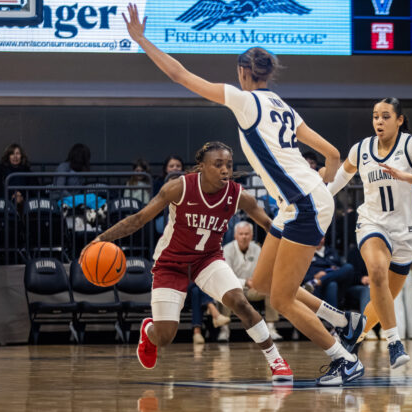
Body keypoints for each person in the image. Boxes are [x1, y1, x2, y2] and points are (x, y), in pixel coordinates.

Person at [123, 4, 366, 386]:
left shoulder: (243, 100)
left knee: (281, 301)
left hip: (303, 204)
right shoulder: (283, 106)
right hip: (303, 200)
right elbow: (333, 154)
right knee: (262, 284)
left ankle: (343, 359)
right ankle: (343, 319)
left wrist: (141, 40)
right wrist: (323, 187)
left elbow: (179, 74)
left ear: (241, 72)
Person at [87, 142, 293, 383]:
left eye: (228, 164)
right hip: (171, 263)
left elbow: (268, 225)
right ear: (201, 167)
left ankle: (276, 360)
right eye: (218, 165)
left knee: (240, 302)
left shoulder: (239, 195)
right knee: (165, 336)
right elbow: (139, 219)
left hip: (207, 259)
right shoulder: (178, 188)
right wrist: (100, 238)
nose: (225, 170)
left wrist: (291, 247)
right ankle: (149, 331)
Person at [326, 97, 412, 368]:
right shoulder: (361, 148)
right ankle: (394, 342)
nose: (379, 121)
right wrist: (319, 199)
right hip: (372, 222)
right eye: (376, 116)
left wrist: (406, 176)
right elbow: (339, 180)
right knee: (376, 271)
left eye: (386, 116)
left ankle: (355, 337)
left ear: (399, 120)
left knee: (381, 302)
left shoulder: (411, 144)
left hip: (406, 231)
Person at [221, 221, 282, 342]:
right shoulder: (227, 250)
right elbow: (226, 276)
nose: (244, 237)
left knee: (270, 288)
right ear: (235, 235)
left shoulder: (257, 248)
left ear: (251, 235)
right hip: (235, 289)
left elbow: (263, 270)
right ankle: (224, 330)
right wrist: (245, 282)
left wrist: (257, 282)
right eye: (241, 234)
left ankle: (271, 328)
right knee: (224, 290)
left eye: (246, 234)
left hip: (253, 288)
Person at [302, 237, 354, 310]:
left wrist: (330, 272)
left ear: (325, 238)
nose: (319, 240)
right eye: (316, 237)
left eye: (321, 237)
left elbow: (340, 270)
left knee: (348, 267)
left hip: (334, 284)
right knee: (332, 284)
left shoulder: (332, 251)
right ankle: (332, 315)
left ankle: (319, 281)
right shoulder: (305, 254)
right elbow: (300, 276)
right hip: (316, 289)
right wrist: (314, 276)